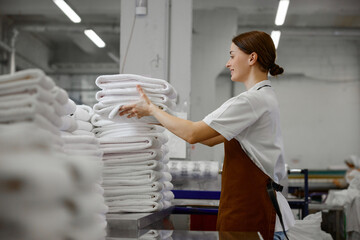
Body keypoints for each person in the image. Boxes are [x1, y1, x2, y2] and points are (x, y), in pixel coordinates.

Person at [118, 31, 295, 240]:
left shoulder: (251, 101)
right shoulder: (264, 97)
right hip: (257, 210)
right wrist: (156, 115)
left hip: (254, 213)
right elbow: (209, 139)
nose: (228, 63)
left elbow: (193, 134)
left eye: (231, 55)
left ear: (252, 58)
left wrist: (152, 110)